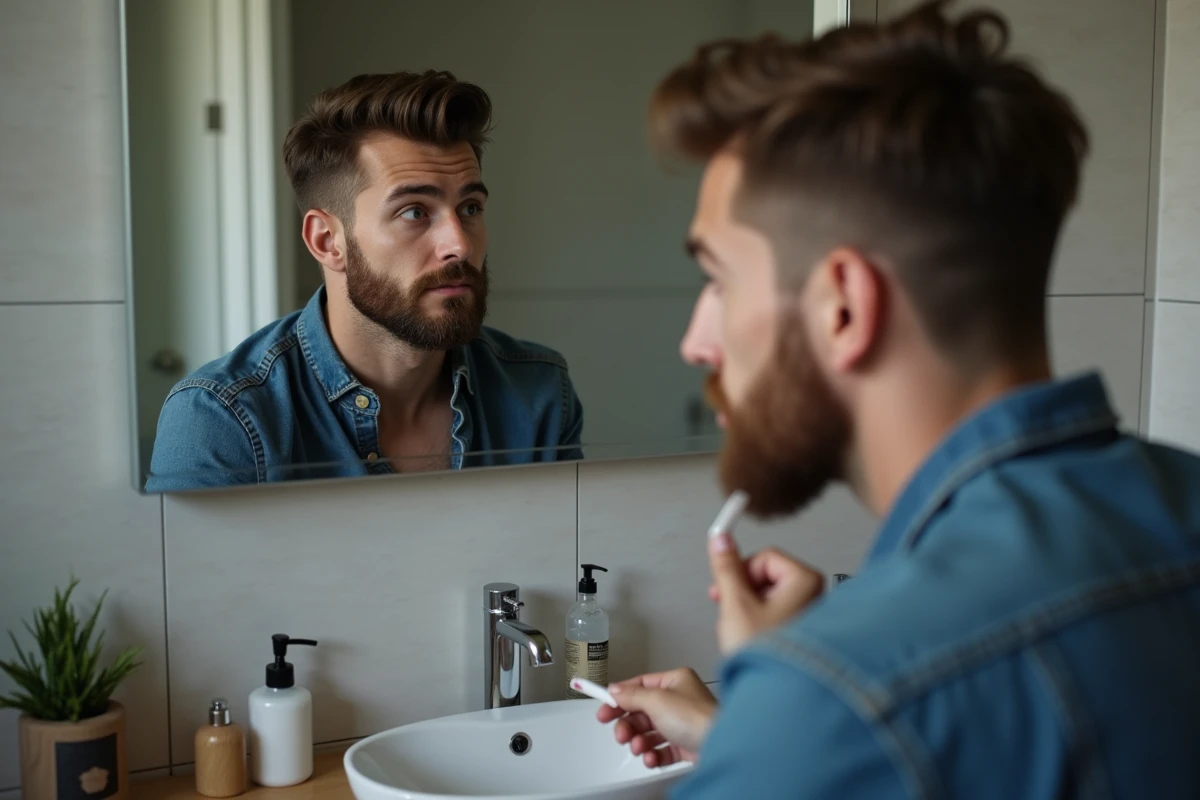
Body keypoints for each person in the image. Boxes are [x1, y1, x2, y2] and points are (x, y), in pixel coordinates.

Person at [597, 1, 1200, 797]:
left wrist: (786, 720)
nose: (695, 341)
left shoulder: (835, 706)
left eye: (718, 279)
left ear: (842, 307)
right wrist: (759, 731)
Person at [146, 72, 583, 492]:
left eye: (470, 208)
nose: (460, 245)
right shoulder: (223, 418)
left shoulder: (539, 391)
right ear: (327, 240)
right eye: (414, 212)